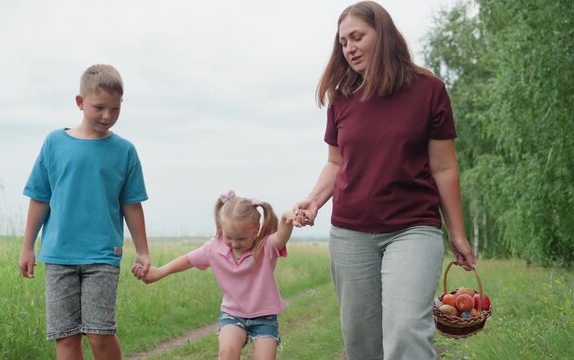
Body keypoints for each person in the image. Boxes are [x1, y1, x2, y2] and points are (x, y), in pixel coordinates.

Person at [291, 2, 477, 359]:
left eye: (357, 37)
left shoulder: (429, 90)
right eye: (343, 42)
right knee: (362, 345)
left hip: (413, 229)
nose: (349, 48)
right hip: (350, 234)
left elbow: (444, 168)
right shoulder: (342, 97)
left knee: (406, 330)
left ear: (383, 34)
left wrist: (457, 233)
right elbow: (335, 162)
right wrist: (313, 201)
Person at [18, 64, 151, 360]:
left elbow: (132, 204)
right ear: (80, 102)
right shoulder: (54, 143)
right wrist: (27, 247)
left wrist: (142, 251)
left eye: (115, 109)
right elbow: (40, 198)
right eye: (99, 107)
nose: (107, 116)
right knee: (65, 338)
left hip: (102, 256)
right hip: (58, 255)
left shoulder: (125, 151)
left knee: (99, 334)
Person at [140, 190, 296, 360]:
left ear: (256, 230)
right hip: (233, 314)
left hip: (264, 317)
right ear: (222, 228)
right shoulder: (214, 248)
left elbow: (281, 236)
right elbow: (188, 260)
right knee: (227, 352)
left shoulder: (265, 247)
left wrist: (286, 220)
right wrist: (160, 272)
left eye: (241, 239)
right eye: (229, 237)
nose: (235, 244)